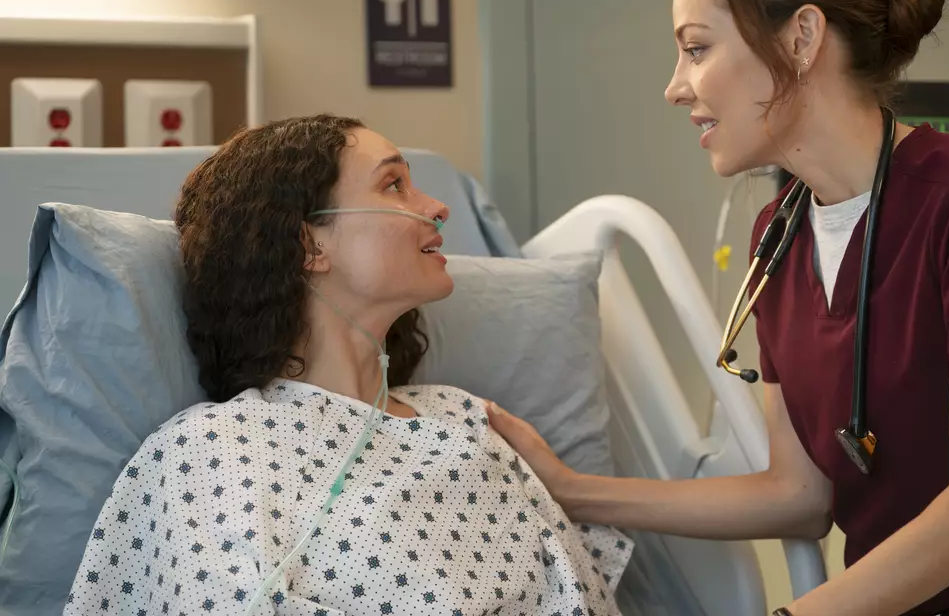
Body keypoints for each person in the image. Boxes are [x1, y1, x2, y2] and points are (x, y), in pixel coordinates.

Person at [486, 0, 949, 616]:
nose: (676, 87)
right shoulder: (778, 238)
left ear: (802, 37)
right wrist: (573, 491)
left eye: (697, 49)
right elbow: (799, 495)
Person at [62, 114, 631, 616]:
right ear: (309, 245)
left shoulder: (465, 418)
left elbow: (580, 592)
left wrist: (572, 490)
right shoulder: (214, 450)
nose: (437, 208)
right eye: (394, 184)